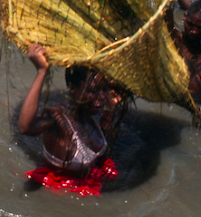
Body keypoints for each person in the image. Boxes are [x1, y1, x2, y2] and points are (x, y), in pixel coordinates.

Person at [18, 44, 127, 193]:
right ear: (72, 89)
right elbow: (25, 127)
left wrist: (110, 110)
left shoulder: (90, 113)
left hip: (93, 182)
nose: (102, 97)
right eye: (93, 91)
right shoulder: (57, 119)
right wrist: (42, 71)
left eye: (104, 89)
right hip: (62, 192)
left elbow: (97, 148)